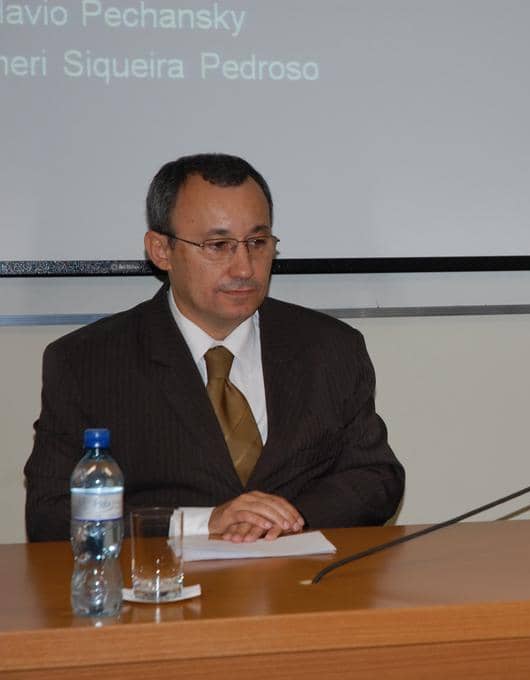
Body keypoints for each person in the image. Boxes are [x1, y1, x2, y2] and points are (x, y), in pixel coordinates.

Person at [25, 153, 404, 542]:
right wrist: (203, 523)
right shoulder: (87, 361)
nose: (244, 268)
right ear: (161, 250)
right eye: (218, 245)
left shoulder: (330, 347)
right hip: (162, 590)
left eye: (258, 242)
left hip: (302, 586)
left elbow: (376, 478)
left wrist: (286, 519)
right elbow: (51, 514)